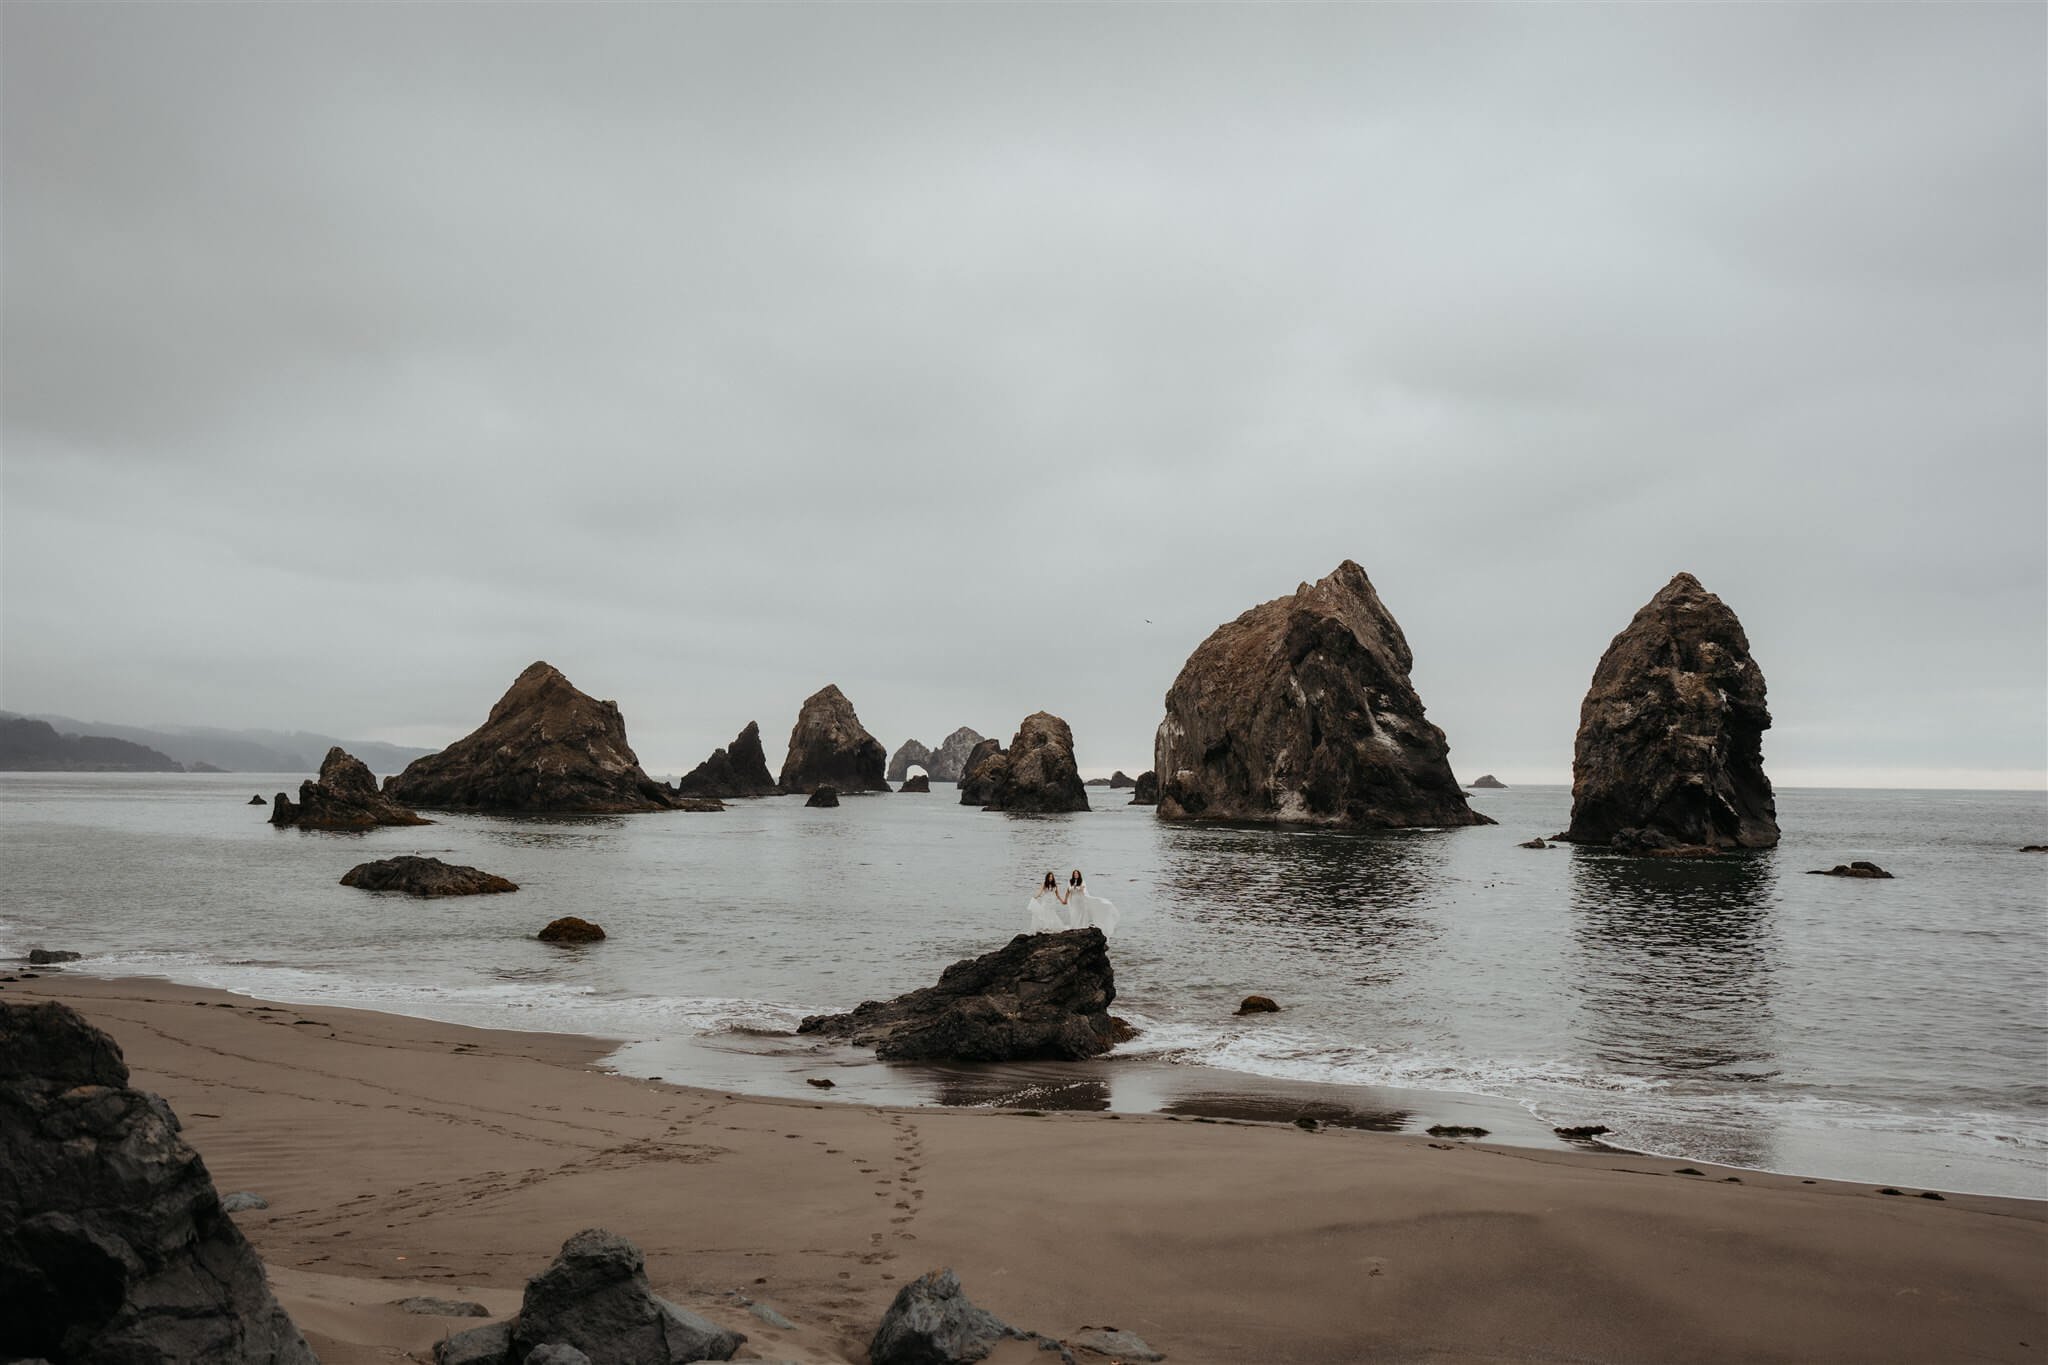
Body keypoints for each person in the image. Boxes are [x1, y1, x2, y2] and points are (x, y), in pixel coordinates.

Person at [1063, 868, 1120, 936]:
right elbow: (1068, 890)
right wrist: (1066, 899)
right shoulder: (1070, 881)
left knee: (1081, 913)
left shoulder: (1082, 881)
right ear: (1073, 875)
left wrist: (1078, 888)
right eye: (1074, 874)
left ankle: (1081, 926)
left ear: (1079, 875)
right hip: (1074, 899)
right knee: (1074, 912)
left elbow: (1083, 888)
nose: (1076, 875)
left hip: (1081, 899)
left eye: (1077, 873)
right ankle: (1074, 926)